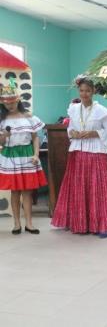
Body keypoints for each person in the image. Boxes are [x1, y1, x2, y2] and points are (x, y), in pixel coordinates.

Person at [51, 75, 107, 238]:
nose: (84, 94)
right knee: (78, 187)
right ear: (78, 91)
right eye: (81, 90)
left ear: (94, 91)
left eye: (88, 90)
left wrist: (94, 132)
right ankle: (79, 222)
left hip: (96, 152)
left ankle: (103, 225)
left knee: (98, 188)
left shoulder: (102, 111)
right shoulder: (72, 109)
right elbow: (70, 128)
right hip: (78, 152)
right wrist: (71, 132)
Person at [0, 80, 46, 235]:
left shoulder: (29, 117)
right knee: (15, 191)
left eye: (12, 102)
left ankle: (29, 224)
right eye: (7, 104)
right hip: (10, 155)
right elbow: (1, 141)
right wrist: (4, 136)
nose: (10, 106)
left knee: (27, 191)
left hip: (27, 155)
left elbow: (35, 137)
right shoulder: (2, 120)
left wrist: (36, 154)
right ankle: (16, 224)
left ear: (17, 100)